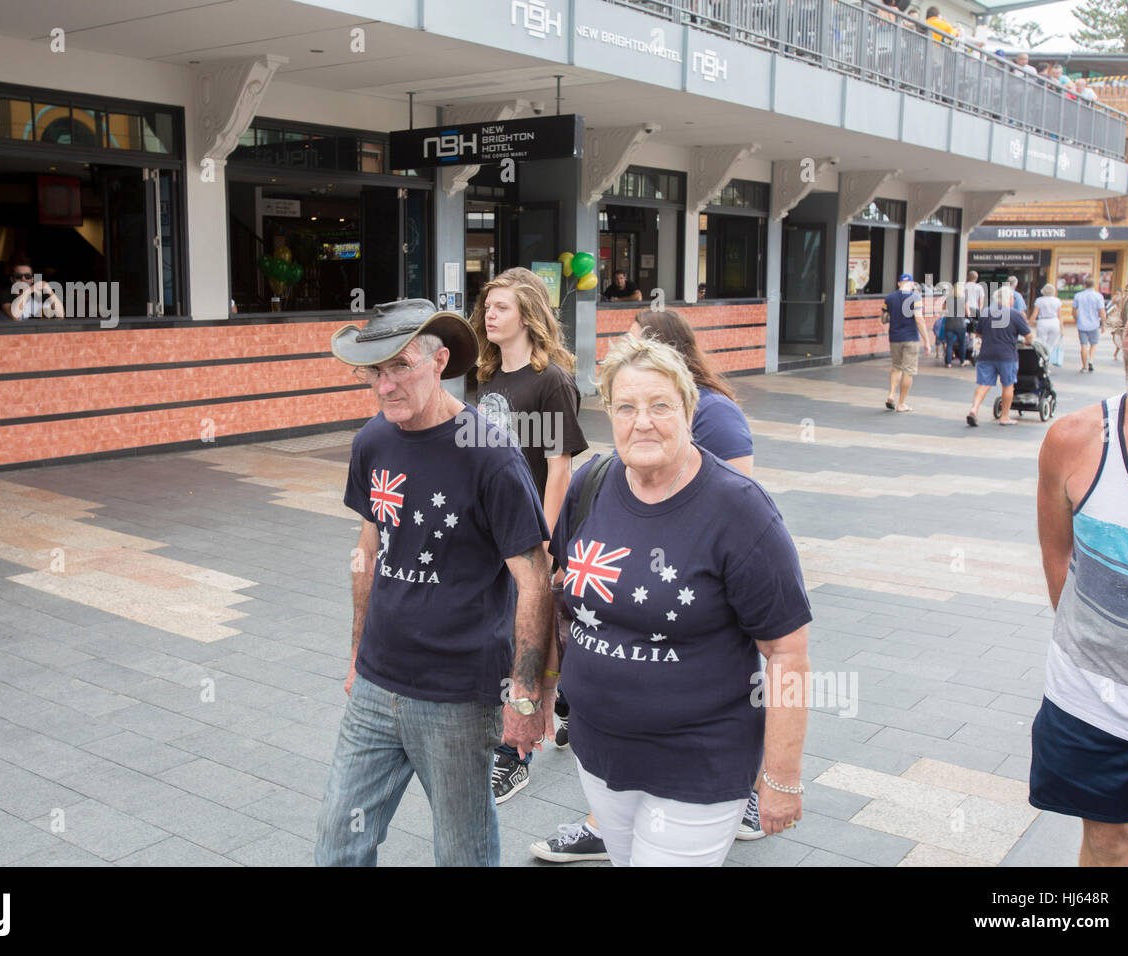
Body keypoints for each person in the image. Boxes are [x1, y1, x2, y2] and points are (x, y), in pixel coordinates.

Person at [546, 334, 811, 866]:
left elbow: (787, 654)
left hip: (698, 761)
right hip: (599, 755)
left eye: (660, 405)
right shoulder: (591, 484)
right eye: (626, 407)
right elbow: (559, 597)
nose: (642, 421)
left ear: (689, 411)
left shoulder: (740, 510)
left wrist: (782, 777)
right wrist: (535, 693)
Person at [315, 298, 554, 867]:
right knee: (338, 842)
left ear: (440, 360)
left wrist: (525, 692)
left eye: (400, 366)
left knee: (462, 850)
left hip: (459, 696)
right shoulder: (373, 441)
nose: (384, 386)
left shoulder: (489, 454)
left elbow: (535, 580)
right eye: (374, 371)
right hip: (376, 684)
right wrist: (355, 656)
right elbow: (369, 550)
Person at [1030, 264, 1128, 867]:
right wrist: (1093, 642)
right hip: (1092, 699)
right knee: (1108, 842)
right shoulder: (1074, 439)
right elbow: (1058, 553)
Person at [472, 267, 588, 805]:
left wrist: (542, 539)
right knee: (513, 636)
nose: (489, 314)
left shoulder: (551, 381)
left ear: (528, 316)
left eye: (500, 307)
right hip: (491, 531)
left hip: (532, 535)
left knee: (525, 642)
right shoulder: (490, 378)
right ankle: (563, 711)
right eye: (487, 307)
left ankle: (512, 756)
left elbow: (559, 467)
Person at [965, 286, 1033, 427]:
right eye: (1013, 298)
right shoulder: (1015, 315)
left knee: (984, 384)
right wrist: (1027, 342)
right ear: (1008, 299)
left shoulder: (986, 312)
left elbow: (978, 334)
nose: (1013, 300)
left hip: (986, 354)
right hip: (1007, 355)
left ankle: (974, 409)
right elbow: (1029, 336)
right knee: (1008, 385)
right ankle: (1005, 417)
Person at [882, 273, 932, 411]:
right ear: (911, 284)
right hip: (910, 338)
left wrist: (894, 314)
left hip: (894, 337)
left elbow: (884, 318)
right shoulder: (915, 297)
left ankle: (891, 394)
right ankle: (902, 404)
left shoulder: (889, 298)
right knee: (908, 371)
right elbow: (919, 319)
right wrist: (927, 341)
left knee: (896, 367)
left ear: (899, 284)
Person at [2, 255, 65, 320]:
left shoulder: (39, 292)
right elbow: (14, 315)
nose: (23, 279)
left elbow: (60, 314)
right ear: (12, 279)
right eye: (18, 276)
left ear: (32, 279)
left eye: (27, 276)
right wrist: (28, 291)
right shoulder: (7, 294)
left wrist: (49, 290)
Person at [1073, 276, 1106, 373]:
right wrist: (1103, 323)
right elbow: (1102, 311)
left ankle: (1084, 366)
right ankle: (1091, 360)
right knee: (1094, 344)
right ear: (1094, 285)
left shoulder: (1078, 296)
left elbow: (1074, 310)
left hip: (1081, 324)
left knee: (1083, 345)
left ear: (1085, 285)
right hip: (1094, 324)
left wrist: (1076, 319)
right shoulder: (1098, 296)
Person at [1033, 283, 1063, 365]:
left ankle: (1042, 360)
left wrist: (1029, 323)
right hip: (1054, 322)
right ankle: (1047, 361)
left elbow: (1035, 313)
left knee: (1041, 343)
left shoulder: (1039, 300)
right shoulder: (1057, 301)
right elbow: (1060, 315)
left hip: (1042, 322)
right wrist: (1062, 328)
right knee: (1051, 344)